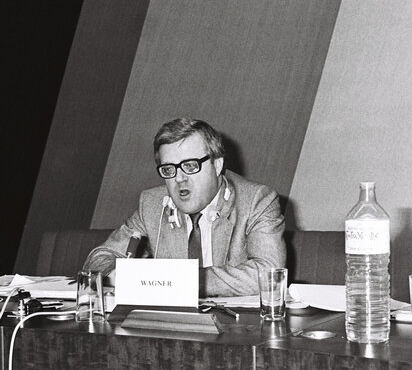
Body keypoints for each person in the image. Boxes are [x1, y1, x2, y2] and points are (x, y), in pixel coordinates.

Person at [84, 118, 286, 296]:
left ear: (217, 165)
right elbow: (100, 257)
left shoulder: (257, 200)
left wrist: (182, 280)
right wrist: (112, 275)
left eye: (190, 166)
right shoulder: (152, 204)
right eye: (169, 169)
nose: (179, 178)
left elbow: (269, 273)